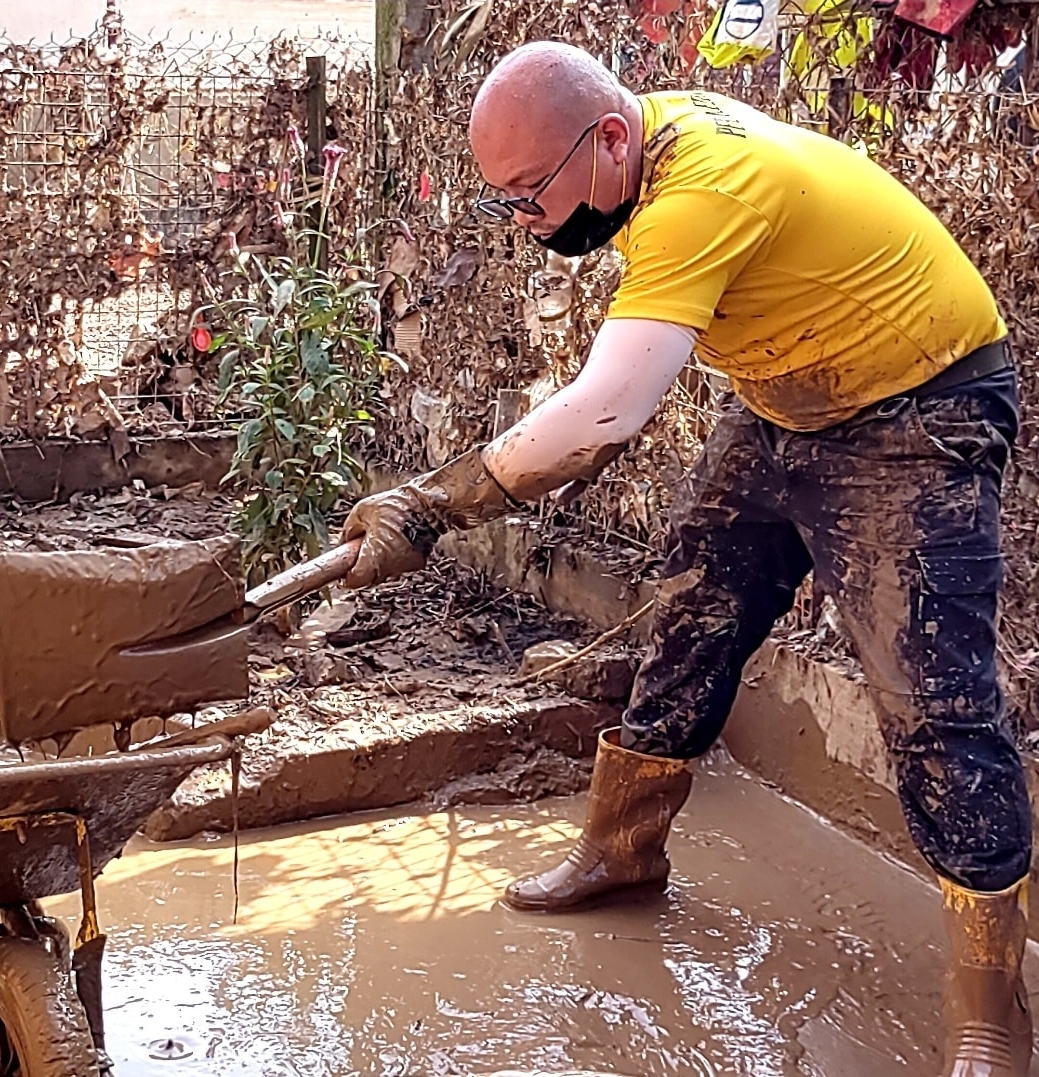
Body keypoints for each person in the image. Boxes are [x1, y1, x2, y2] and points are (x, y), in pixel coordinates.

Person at [340, 41, 1031, 1077]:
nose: (524, 220)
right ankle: (622, 849)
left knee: (933, 697)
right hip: (787, 399)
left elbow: (608, 410)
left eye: (530, 193)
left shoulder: (702, 189)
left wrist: (433, 505)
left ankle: (991, 999)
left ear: (610, 139)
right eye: (505, 200)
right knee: (689, 614)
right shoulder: (638, 150)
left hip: (919, 404)